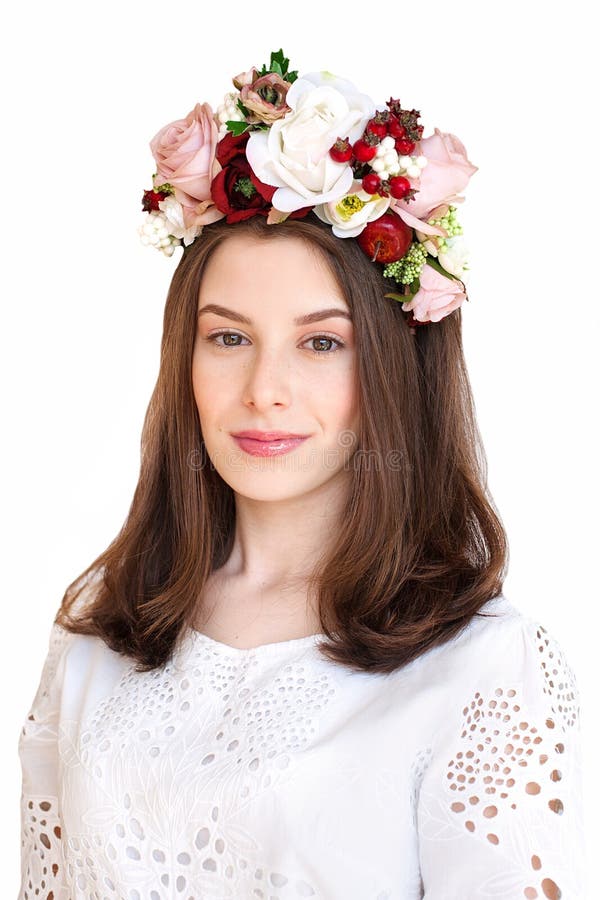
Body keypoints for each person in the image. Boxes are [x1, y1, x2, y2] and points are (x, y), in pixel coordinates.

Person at [18, 49, 585, 899]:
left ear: (393, 371)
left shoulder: (483, 664)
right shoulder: (101, 632)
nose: (264, 392)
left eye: (322, 343)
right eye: (228, 337)